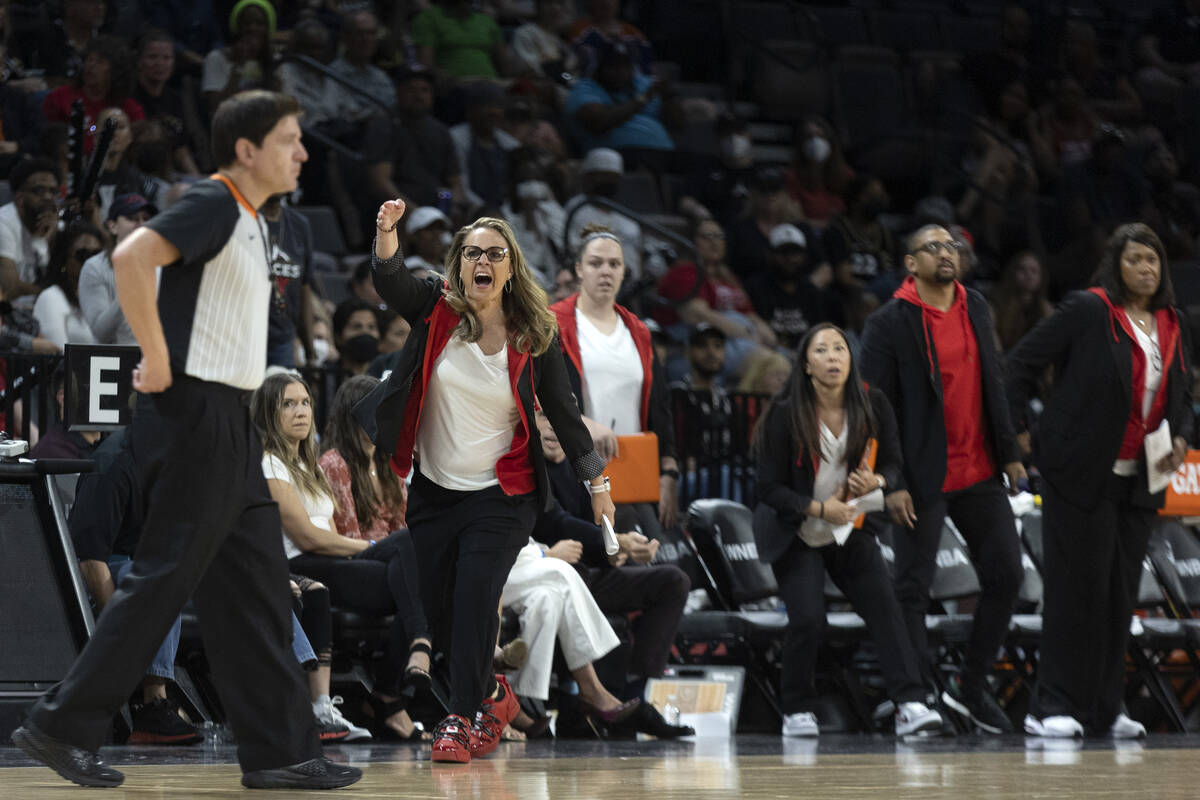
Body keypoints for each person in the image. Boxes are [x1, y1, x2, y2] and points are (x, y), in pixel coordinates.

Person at [11, 90, 360, 791]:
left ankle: (283, 752)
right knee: (161, 580)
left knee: (259, 589)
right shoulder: (215, 201)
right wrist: (158, 355)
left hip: (232, 419)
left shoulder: (258, 220)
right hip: (195, 414)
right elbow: (135, 255)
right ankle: (60, 726)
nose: (303, 152)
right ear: (247, 149)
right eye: (290, 140)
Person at [361, 203, 614, 762]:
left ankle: (457, 718)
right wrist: (386, 235)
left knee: (478, 599)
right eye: (473, 252)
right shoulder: (434, 307)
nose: (483, 260)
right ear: (458, 264)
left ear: (510, 268)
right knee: (441, 608)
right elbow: (390, 279)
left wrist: (597, 484)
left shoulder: (533, 332)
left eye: (494, 254)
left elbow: (565, 414)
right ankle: (493, 695)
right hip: (434, 489)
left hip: (504, 494)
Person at [1008, 223, 1192, 739]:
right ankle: (1050, 707)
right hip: (1080, 474)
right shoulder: (1088, 310)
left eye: (1153, 261)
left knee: (1118, 595)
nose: (1146, 269)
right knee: (1074, 592)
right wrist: (1022, 435)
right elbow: (1019, 365)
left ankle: (1106, 707)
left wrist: (1180, 436)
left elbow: (1180, 396)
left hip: (1139, 479)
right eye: (1135, 259)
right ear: (1115, 264)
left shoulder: (1172, 322)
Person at [860, 224, 1024, 735]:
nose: (944, 253)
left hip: (978, 469)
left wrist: (1011, 451)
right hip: (920, 475)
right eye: (931, 247)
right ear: (910, 264)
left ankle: (971, 687)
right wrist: (893, 480)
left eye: (950, 246)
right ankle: (918, 694)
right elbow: (874, 407)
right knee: (913, 587)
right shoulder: (890, 321)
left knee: (1007, 575)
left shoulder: (976, 305)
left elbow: (991, 382)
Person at [754, 323, 942, 738]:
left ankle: (910, 703)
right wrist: (820, 508)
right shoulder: (786, 415)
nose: (833, 356)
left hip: (849, 529)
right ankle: (796, 709)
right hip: (798, 528)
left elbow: (894, 464)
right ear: (806, 364)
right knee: (807, 618)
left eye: (840, 348)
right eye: (822, 350)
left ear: (851, 358)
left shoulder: (872, 404)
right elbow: (767, 488)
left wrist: (876, 482)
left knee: (886, 608)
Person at [252, 372, 430, 741]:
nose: (300, 412)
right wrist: (367, 549)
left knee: (418, 582)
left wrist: (363, 555)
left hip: (332, 562)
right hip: (299, 563)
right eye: (288, 404)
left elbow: (329, 532)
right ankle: (410, 660)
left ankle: (392, 687)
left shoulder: (308, 465)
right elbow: (306, 536)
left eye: (305, 403)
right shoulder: (271, 463)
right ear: (269, 413)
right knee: (410, 550)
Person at [550, 225, 680, 536]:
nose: (605, 271)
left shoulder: (639, 331)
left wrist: (669, 470)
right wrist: (582, 422)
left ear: (624, 271)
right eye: (596, 263)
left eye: (614, 264)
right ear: (579, 269)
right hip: (576, 471)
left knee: (655, 561)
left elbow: (660, 406)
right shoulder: (552, 324)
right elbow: (537, 392)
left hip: (634, 470)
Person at [79, 194, 156, 345]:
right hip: (116, 361)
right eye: (133, 218)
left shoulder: (163, 265)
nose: (141, 225)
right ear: (112, 226)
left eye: (146, 219)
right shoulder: (95, 268)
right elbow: (100, 333)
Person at [33, 222, 104, 348]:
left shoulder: (103, 297)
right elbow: (59, 355)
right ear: (64, 259)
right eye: (83, 255)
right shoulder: (51, 297)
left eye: (96, 255)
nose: (91, 263)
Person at [0, 157, 60, 301]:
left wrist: (53, 240)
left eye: (53, 191)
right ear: (20, 198)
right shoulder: (3, 223)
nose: (47, 197)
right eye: (39, 191)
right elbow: (9, 288)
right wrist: (58, 295)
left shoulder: (57, 227)